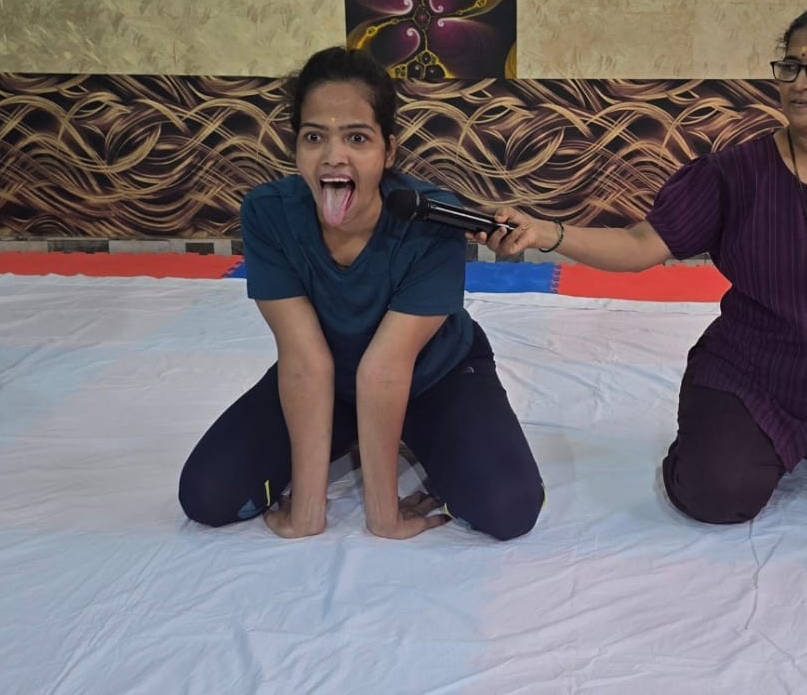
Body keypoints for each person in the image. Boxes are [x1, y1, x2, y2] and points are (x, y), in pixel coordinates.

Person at [487, 3, 807, 532]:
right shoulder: (734, 174)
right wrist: (548, 234)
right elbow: (640, 245)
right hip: (757, 381)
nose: (799, 83)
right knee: (714, 494)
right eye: (790, 66)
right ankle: (756, 435)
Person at [179, 46, 543, 541]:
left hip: (435, 377)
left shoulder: (431, 218)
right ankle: (354, 431)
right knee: (208, 496)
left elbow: (386, 368)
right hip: (329, 380)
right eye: (314, 137)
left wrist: (383, 515)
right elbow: (305, 361)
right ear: (295, 147)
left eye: (357, 137)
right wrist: (307, 512)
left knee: (508, 509)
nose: (334, 156)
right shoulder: (268, 214)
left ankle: (409, 433)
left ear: (388, 151)